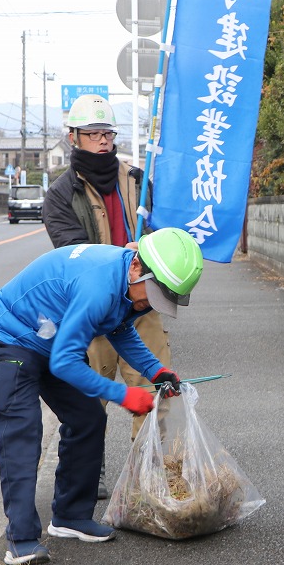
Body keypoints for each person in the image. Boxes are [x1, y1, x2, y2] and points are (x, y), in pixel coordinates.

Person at [0, 228, 204, 565]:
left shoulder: (129, 286)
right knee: (22, 435)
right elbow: (66, 362)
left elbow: (119, 328)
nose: (147, 305)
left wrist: (157, 372)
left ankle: (70, 516)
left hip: (53, 339)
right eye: (151, 296)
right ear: (137, 267)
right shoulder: (98, 285)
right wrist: (124, 395)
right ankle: (21, 541)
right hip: (10, 338)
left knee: (88, 418)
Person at [42, 94, 173, 498]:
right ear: (73, 137)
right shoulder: (61, 195)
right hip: (93, 306)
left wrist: (149, 249)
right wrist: (121, 259)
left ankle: (146, 475)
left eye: (107, 133)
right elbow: (72, 252)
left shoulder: (137, 179)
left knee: (155, 390)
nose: (102, 140)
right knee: (89, 396)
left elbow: (160, 235)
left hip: (140, 301)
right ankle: (87, 474)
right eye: (93, 133)